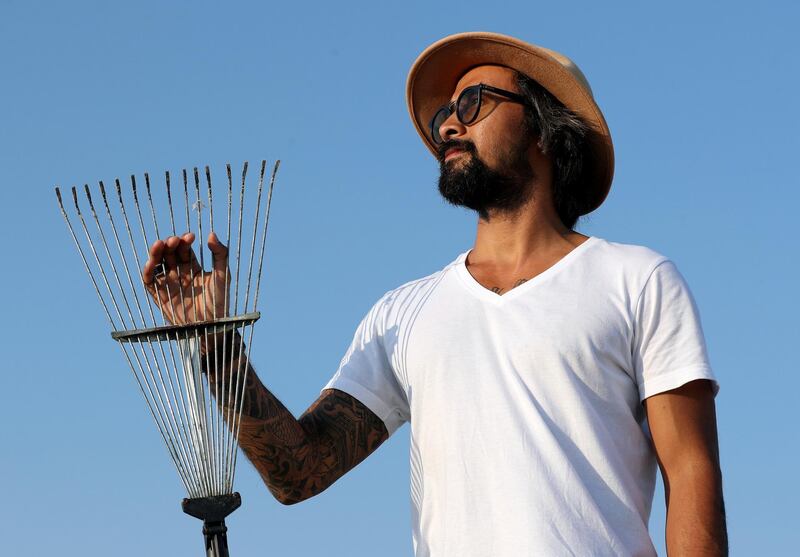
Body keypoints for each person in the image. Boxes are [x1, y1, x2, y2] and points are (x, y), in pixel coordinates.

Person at [142, 32, 727, 556]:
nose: (448, 124)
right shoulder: (403, 314)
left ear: (546, 128)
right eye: (445, 113)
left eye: (473, 103)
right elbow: (299, 472)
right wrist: (216, 346)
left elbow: (692, 476)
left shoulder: (637, 280)